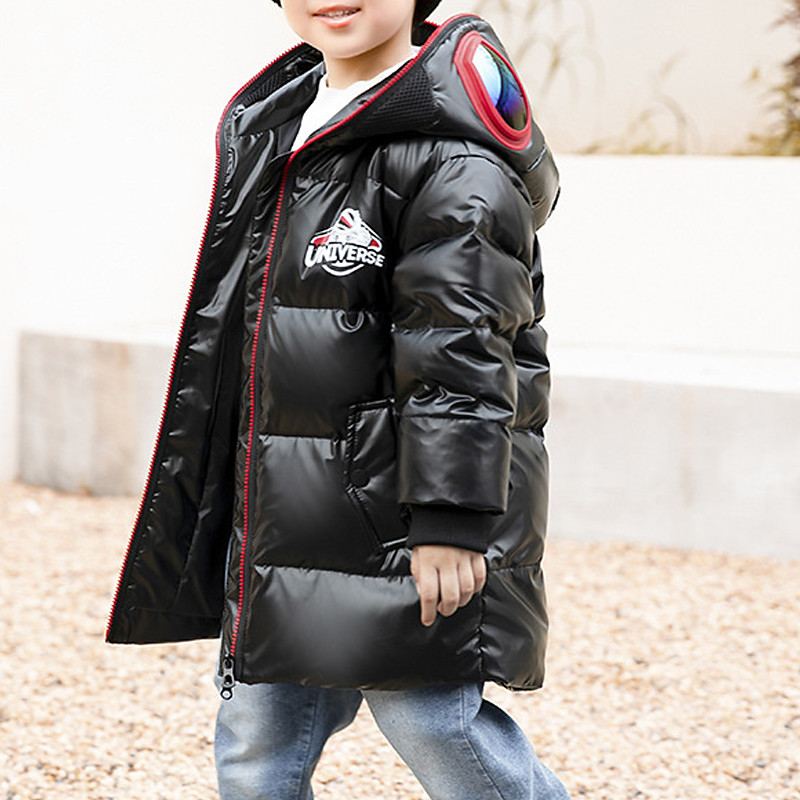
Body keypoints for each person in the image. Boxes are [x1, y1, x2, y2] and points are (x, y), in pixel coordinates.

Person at [106, 0, 567, 797]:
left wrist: (450, 517)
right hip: (284, 515)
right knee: (256, 742)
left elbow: (460, 348)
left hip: (396, 513)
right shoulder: (283, 122)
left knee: (436, 723)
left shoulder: (452, 155)